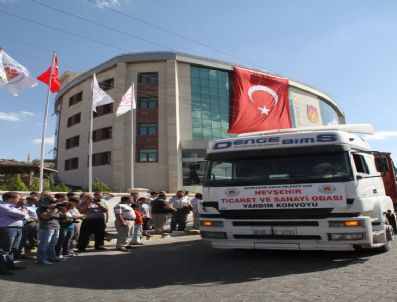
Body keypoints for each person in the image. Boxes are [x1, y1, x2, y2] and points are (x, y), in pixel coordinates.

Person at [0, 192, 29, 275]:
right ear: (11, 198)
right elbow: (20, 214)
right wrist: (23, 213)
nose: (19, 200)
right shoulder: (2, 206)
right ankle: (2, 268)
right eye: (18, 198)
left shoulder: (12, 206)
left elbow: (26, 216)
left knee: (13, 248)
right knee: (5, 249)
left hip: (17, 228)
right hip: (7, 229)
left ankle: (10, 265)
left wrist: (23, 213)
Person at [36, 193, 66, 265]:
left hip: (56, 227)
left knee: (52, 245)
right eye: (53, 202)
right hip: (46, 228)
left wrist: (64, 212)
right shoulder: (41, 209)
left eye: (55, 202)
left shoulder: (56, 209)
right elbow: (45, 217)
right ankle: (42, 260)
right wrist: (51, 210)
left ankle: (52, 257)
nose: (55, 204)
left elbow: (64, 218)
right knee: (44, 244)